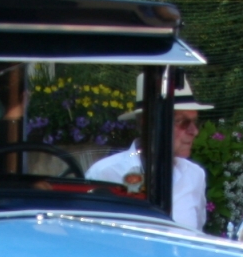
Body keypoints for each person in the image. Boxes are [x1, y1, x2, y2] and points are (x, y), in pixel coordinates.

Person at [85, 73, 211, 231]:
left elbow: (195, 238)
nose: (194, 131)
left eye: (194, 122)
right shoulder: (105, 173)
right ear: (150, 124)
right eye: (183, 122)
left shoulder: (194, 175)